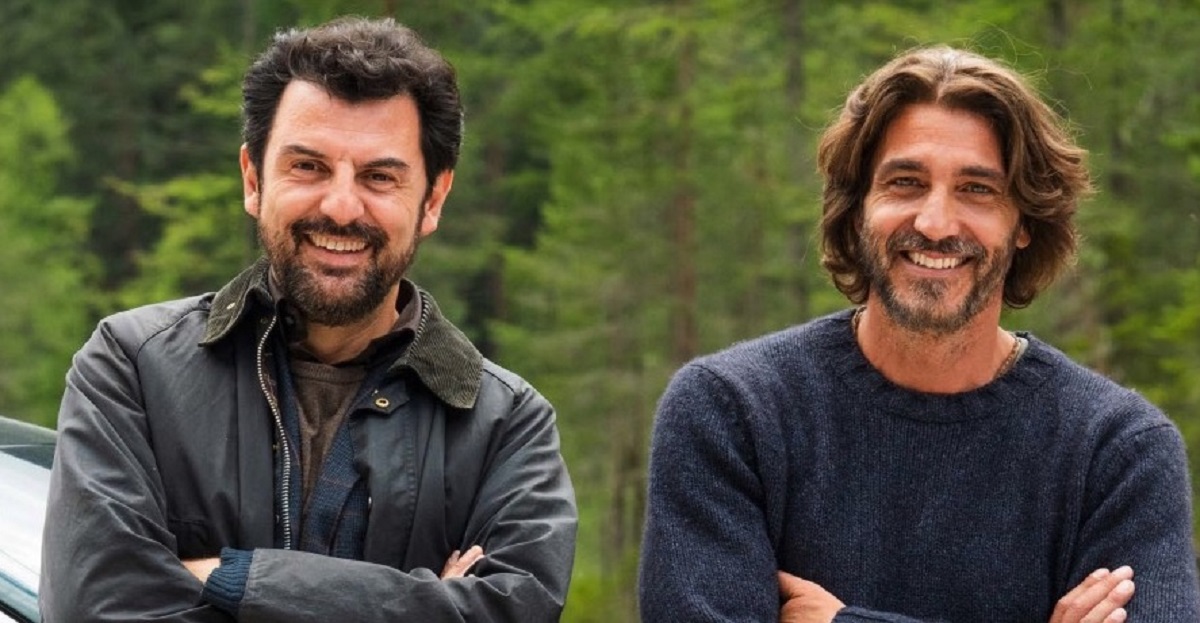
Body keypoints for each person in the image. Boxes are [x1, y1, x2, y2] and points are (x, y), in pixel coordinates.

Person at [40, 16, 576, 622]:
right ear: (253, 180)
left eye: (379, 177)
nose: (341, 207)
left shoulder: (505, 424)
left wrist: (228, 578)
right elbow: (96, 606)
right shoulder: (133, 369)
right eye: (308, 167)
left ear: (432, 199)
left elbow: (515, 612)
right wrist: (430, 602)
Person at [638, 46, 1199, 623]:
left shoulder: (1118, 450)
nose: (934, 224)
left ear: (1025, 222)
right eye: (905, 182)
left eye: (977, 189)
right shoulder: (732, 413)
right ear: (857, 208)